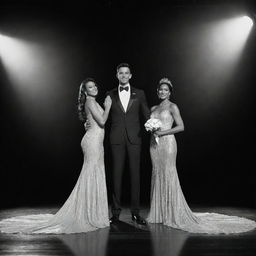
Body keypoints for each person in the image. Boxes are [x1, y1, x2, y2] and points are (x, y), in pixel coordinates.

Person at [0, 78, 112, 234]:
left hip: (95, 141)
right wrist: (108, 107)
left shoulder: (92, 102)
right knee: (91, 174)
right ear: (85, 91)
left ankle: (92, 211)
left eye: (94, 86)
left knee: (94, 173)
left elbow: (93, 121)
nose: (94, 88)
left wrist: (90, 120)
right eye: (90, 87)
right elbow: (102, 121)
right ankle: (87, 213)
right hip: (92, 142)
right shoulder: (91, 102)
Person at [146, 77, 256, 234]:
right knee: (157, 173)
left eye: (165, 90)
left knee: (168, 173)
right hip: (154, 146)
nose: (162, 92)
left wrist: (162, 132)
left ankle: (172, 213)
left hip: (168, 144)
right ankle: (159, 213)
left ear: (170, 93)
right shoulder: (153, 108)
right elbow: (151, 126)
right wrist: (152, 130)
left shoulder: (173, 107)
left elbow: (181, 126)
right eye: (160, 89)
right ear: (157, 91)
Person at [107, 63, 150, 225]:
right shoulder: (109, 94)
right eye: (121, 73)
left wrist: (156, 126)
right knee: (116, 176)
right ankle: (115, 214)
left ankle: (136, 213)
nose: (124, 76)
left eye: (126, 73)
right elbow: (102, 115)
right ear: (117, 75)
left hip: (135, 139)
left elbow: (147, 114)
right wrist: (88, 123)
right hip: (116, 140)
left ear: (130, 75)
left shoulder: (139, 93)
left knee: (135, 176)